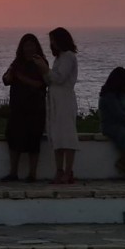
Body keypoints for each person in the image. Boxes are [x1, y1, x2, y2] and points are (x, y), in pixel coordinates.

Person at [33, 27, 79, 184]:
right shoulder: (59, 58)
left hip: (64, 99)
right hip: (55, 99)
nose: (51, 43)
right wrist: (43, 70)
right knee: (57, 135)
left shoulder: (69, 57)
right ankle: (59, 170)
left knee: (67, 135)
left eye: (53, 40)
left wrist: (45, 69)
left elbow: (59, 78)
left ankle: (68, 171)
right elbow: (50, 80)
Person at [1, 33, 48, 182]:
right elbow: (6, 80)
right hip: (17, 108)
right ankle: (13, 172)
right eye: (26, 45)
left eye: (31, 45)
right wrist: (11, 73)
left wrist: (21, 78)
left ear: (36, 47)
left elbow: (42, 84)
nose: (29, 48)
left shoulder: (40, 62)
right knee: (13, 138)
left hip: (35, 108)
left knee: (34, 140)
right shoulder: (17, 62)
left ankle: (32, 174)